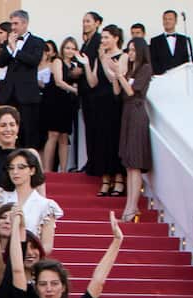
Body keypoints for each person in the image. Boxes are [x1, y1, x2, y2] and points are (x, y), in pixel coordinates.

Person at [82, 25, 125, 197]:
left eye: (107, 37)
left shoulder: (122, 56)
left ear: (116, 38)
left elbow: (113, 79)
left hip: (114, 104)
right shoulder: (100, 57)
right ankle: (106, 179)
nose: (104, 41)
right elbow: (93, 82)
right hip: (98, 104)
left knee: (114, 141)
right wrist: (87, 65)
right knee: (102, 141)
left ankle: (119, 180)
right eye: (103, 38)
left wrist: (105, 61)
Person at [115, 37, 153, 221]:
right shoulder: (131, 70)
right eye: (128, 49)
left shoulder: (145, 69)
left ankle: (132, 206)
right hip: (127, 113)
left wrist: (120, 75)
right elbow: (119, 91)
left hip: (137, 112)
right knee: (130, 164)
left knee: (135, 163)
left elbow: (132, 92)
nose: (130, 53)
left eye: (133, 50)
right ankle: (129, 205)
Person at [0, 10, 46, 149]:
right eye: (11, 23)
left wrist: (16, 50)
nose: (13, 27)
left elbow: (33, 61)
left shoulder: (37, 42)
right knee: (10, 131)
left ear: (25, 23)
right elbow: (0, 62)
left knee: (28, 132)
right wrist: (8, 47)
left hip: (27, 95)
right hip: (9, 95)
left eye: (16, 23)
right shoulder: (9, 42)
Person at [41, 37, 79, 172]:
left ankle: (63, 170)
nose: (70, 51)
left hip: (66, 103)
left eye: (73, 48)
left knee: (64, 136)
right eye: (67, 48)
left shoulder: (75, 66)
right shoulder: (58, 61)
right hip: (54, 100)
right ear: (62, 49)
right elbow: (58, 81)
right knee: (53, 135)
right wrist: (74, 90)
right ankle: (47, 170)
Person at [149, 10, 193, 74]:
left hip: (181, 76)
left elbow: (189, 59)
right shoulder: (155, 41)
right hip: (162, 77)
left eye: (170, 19)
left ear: (175, 21)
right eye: (165, 19)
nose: (167, 21)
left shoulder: (185, 39)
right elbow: (153, 61)